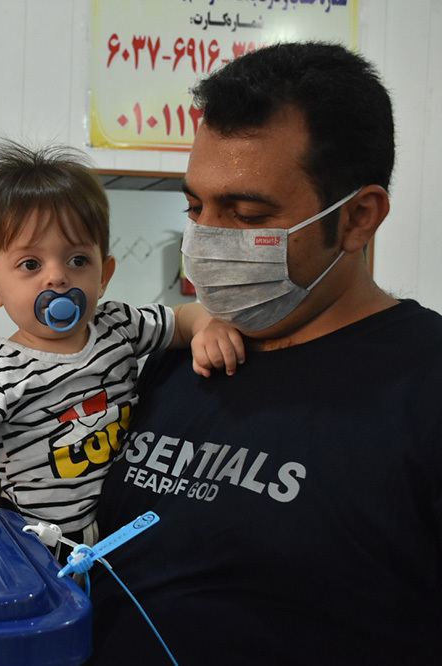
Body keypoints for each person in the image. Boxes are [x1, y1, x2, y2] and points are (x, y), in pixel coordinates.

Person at [88, 42, 442, 665]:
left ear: (359, 218)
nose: (205, 239)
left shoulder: (425, 384)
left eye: (247, 214)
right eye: (194, 207)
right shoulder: (186, 353)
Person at [0, 140, 244, 549]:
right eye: (31, 264)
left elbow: (181, 319)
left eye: (77, 260)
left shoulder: (119, 325)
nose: (57, 277)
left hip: (125, 532)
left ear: (104, 275)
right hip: (41, 544)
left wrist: (206, 324)